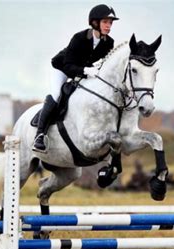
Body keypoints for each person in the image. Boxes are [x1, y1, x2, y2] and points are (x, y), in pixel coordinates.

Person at [33, 4, 119, 152]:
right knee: (57, 94)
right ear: (95, 22)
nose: (109, 26)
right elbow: (67, 66)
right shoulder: (79, 38)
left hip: (87, 73)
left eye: (110, 23)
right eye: (105, 22)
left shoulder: (109, 42)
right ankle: (40, 135)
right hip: (63, 69)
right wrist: (86, 70)